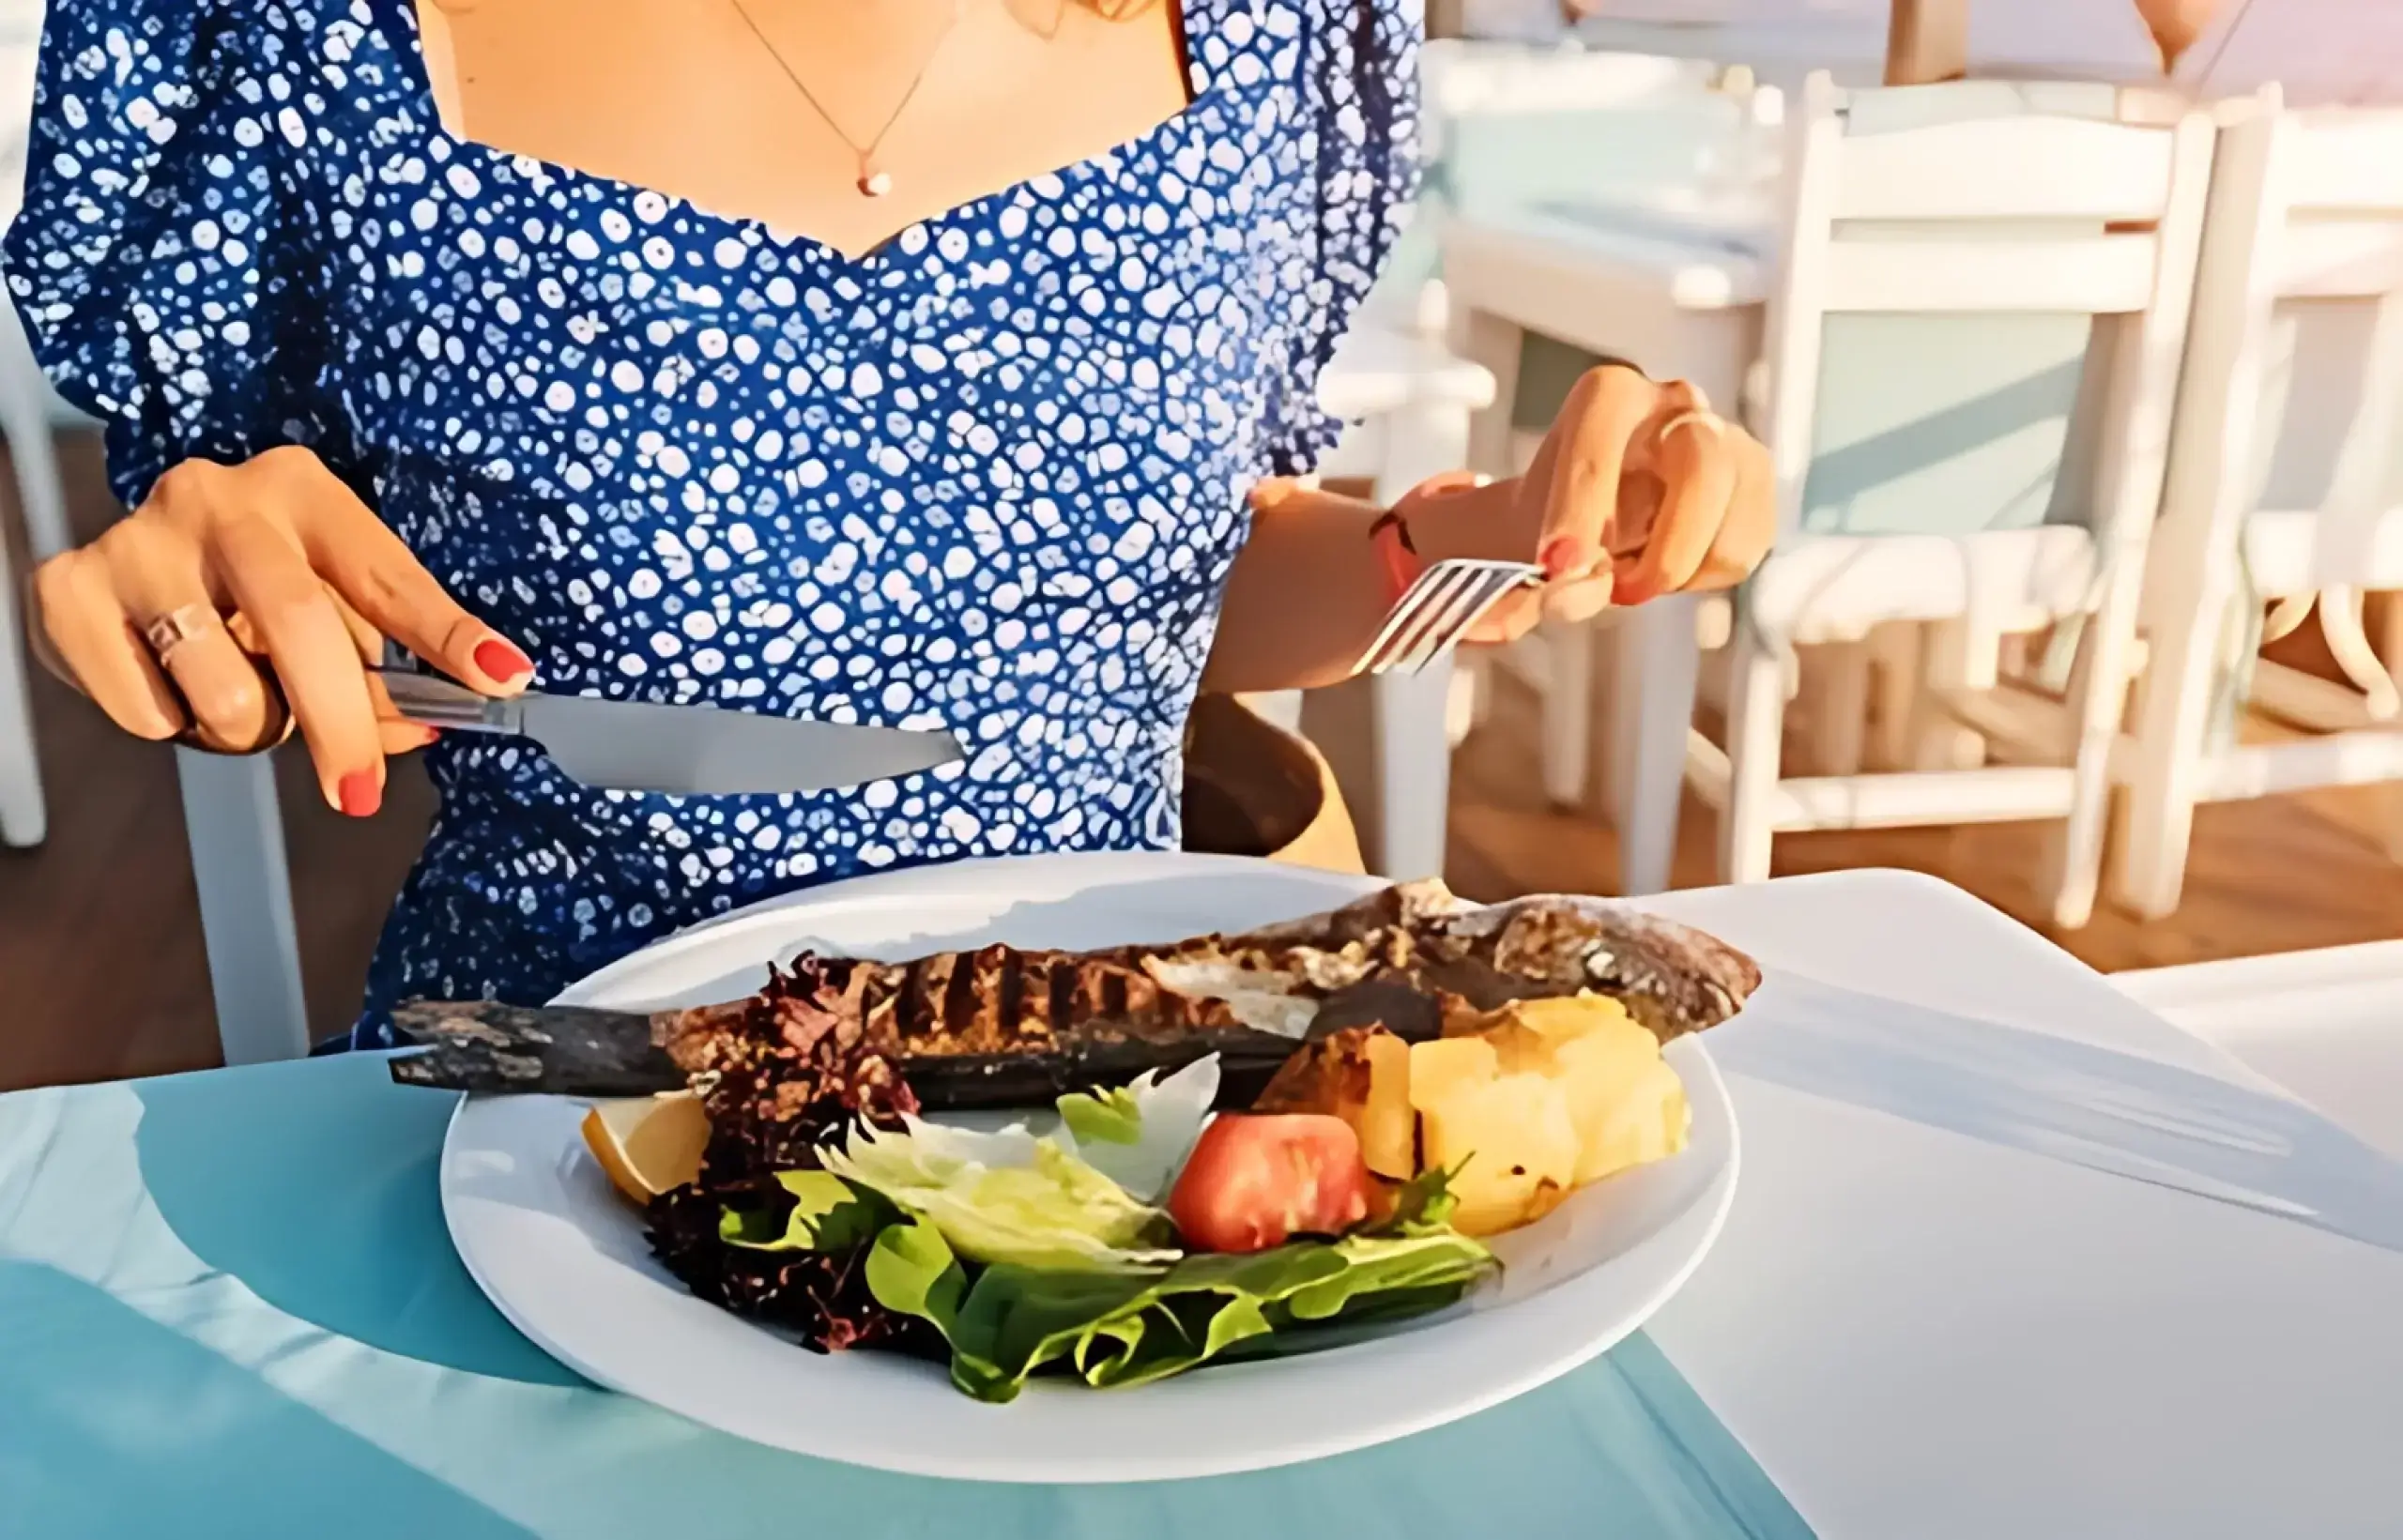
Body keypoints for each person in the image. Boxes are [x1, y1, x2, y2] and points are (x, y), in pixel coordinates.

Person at [7, 0, 1773, 1047]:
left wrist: (1445, 553)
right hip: (564, 1094)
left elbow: (1144, 583)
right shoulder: (288, 33)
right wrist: (181, 585)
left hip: (1114, 1073)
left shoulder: (1265, 26)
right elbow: (243, 563)